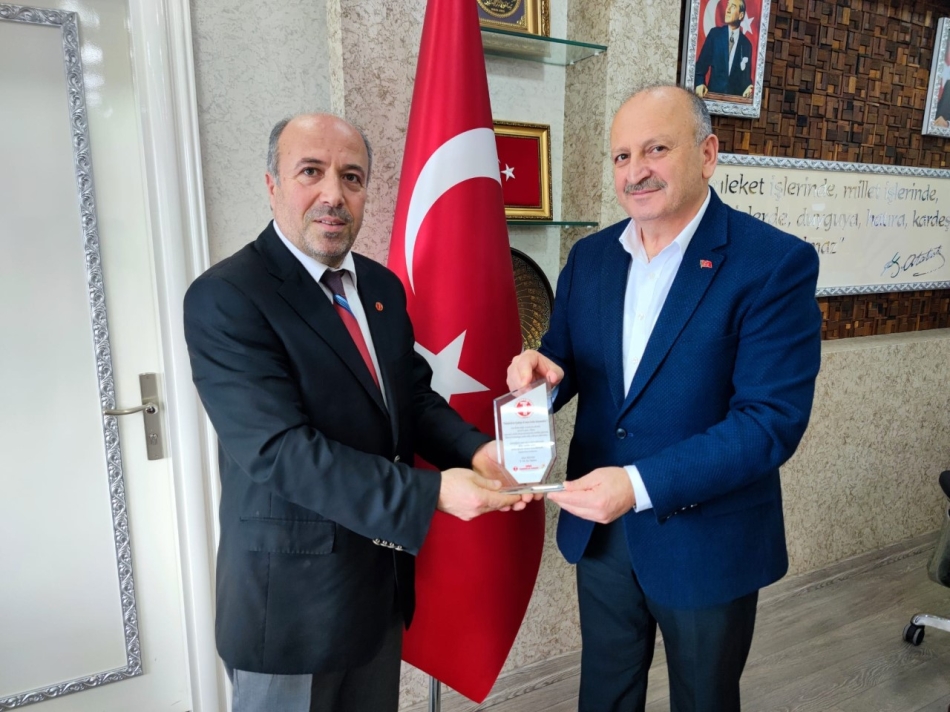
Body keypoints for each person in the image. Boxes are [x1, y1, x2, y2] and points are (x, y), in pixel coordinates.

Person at [184, 113, 525, 712]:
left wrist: (476, 450)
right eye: (310, 172)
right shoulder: (227, 296)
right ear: (271, 184)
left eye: (351, 177)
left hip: (376, 592)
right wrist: (432, 493)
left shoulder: (381, 287)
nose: (333, 195)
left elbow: (411, 398)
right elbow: (280, 451)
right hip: (289, 613)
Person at [508, 85, 822, 711]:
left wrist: (637, 484)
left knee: (704, 699)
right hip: (601, 532)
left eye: (656, 149)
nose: (636, 171)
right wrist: (542, 378)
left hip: (706, 539)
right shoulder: (591, 258)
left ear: (707, 154)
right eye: (622, 156)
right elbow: (567, 361)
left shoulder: (773, 263)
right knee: (604, 694)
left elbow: (768, 424)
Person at [694, 0, 754, 99]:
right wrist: (700, 84)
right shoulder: (715, 35)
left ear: (741, 15)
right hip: (712, 98)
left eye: (733, 6)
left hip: (734, 102)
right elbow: (700, 69)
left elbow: (746, 79)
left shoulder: (746, 44)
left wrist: (749, 87)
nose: (728, 10)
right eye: (727, 5)